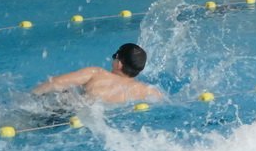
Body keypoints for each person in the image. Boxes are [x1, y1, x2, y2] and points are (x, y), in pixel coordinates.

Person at [32, 43, 164, 105]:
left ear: (119, 64)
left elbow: (56, 83)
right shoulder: (149, 91)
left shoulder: (96, 74)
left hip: (70, 112)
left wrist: (31, 95)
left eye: (115, 56)